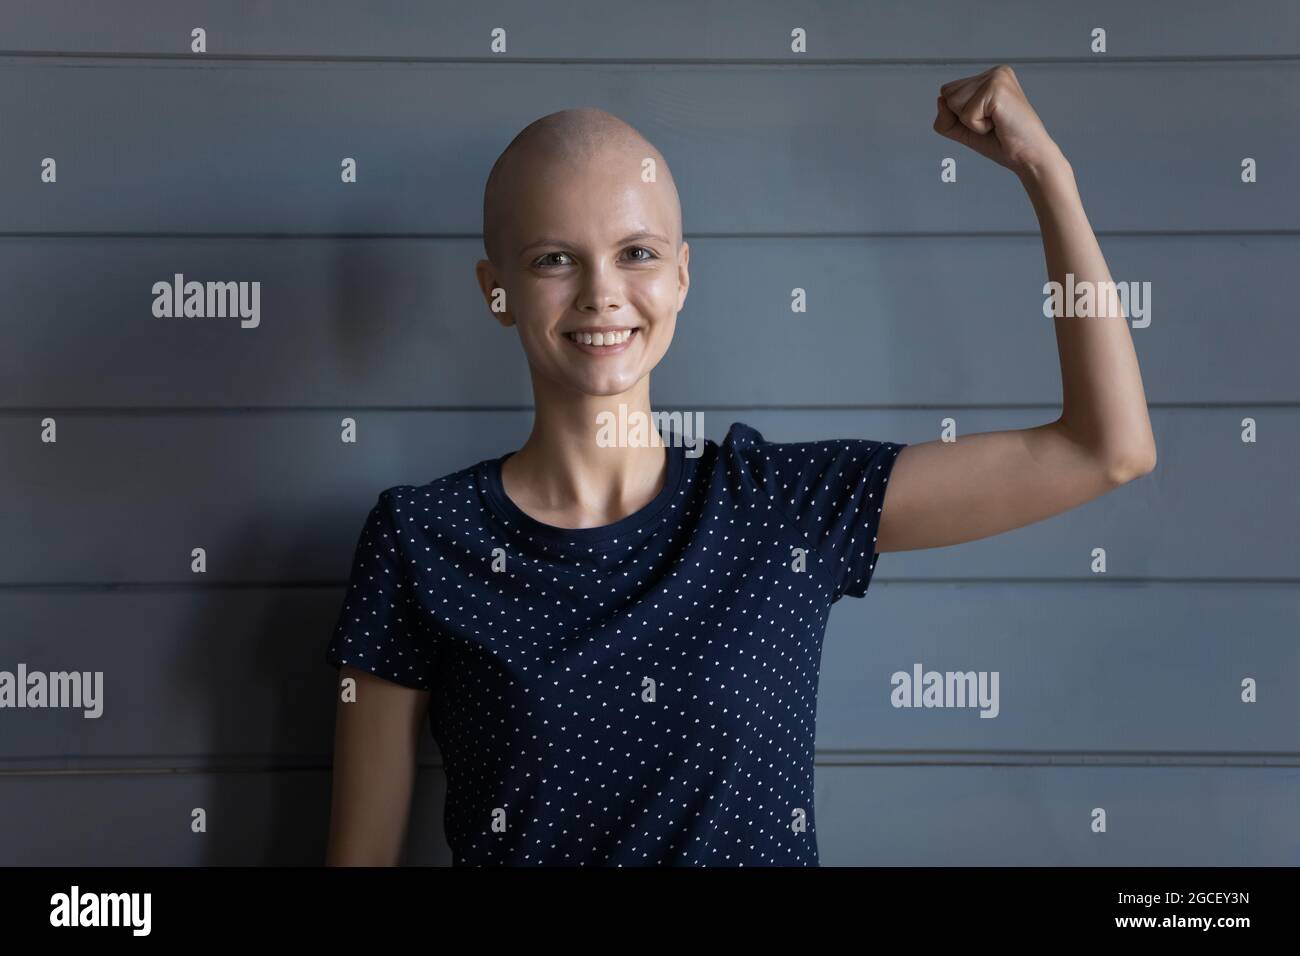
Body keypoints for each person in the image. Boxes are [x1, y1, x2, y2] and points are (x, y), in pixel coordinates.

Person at [324, 66, 1156, 866]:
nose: (601, 293)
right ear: (495, 289)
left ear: (683, 276)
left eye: (637, 253)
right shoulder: (421, 541)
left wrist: (1047, 171)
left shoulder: (781, 509)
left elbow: (1105, 448)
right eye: (553, 259)